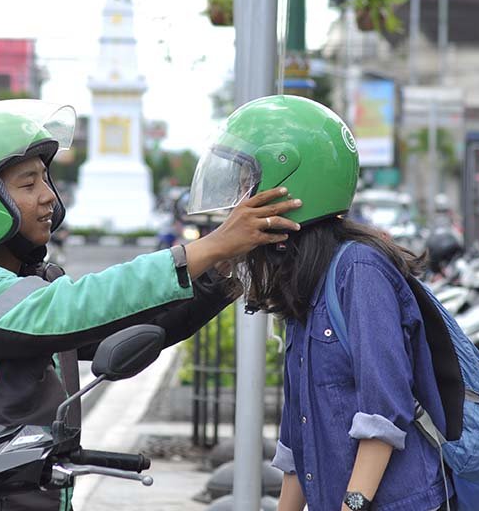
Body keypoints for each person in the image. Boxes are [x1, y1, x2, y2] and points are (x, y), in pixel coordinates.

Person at [0, 100, 301, 511]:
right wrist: (209, 245)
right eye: (27, 185)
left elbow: (131, 323)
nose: (48, 198)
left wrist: (223, 267)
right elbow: (74, 308)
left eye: (45, 181)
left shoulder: (29, 284)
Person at [188, 95, 451, 511]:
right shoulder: (304, 281)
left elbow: (383, 414)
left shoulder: (360, 271)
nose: (240, 199)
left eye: (249, 182)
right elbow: (298, 439)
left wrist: (353, 505)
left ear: (290, 180)